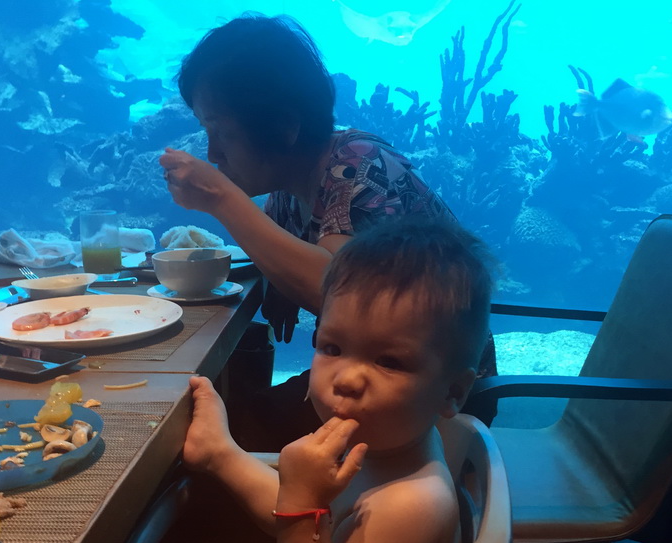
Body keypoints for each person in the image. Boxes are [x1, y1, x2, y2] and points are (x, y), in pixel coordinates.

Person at [159, 14, 494, 449]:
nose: (212, 151)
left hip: (424, 399)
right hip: (368, 376)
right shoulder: (289, 186)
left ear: (284, 126)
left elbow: (339, 289)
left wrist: (222, 198)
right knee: (232, 413)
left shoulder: (359, 166)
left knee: (223, 438)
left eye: (220, 131)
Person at [181, 216, 496, 543]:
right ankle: (216, 455)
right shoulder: (392, 445)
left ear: (452, 392)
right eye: (332, 347)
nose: (346, 379)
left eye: (389, 361)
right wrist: (226, 455)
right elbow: (307, 520)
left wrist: (301, 500)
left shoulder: (411, 504)